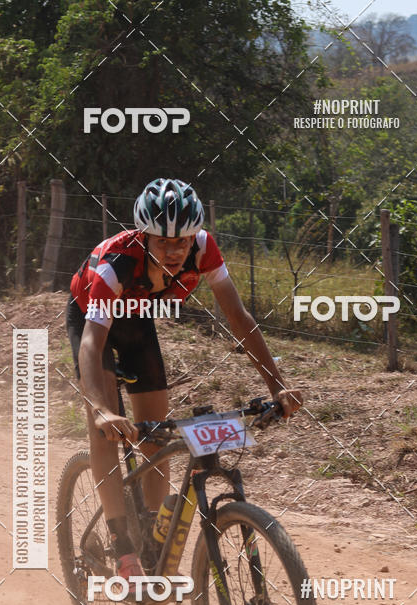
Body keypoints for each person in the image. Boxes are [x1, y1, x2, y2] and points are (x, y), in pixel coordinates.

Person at [67, 177, 302, 582]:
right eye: (163, 242)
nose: (175, 251)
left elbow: (239, 320)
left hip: (137, 320)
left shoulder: (205, 249)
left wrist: (276, 385)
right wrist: (103, 411)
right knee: (106, 431)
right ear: (144, 237)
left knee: (155, 434)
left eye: (183, 241)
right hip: (93, 320)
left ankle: (151, 536)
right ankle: (123, 550)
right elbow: (91, 344)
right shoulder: (116, 266)